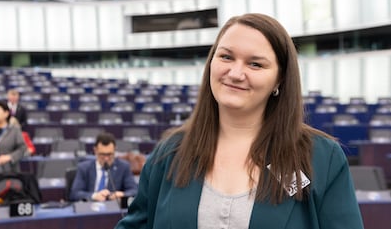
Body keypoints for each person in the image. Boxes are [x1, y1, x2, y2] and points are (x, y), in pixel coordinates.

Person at [115, 13, 364, 229]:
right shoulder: (169, 153)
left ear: (279, 80)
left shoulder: (321, 158)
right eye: (226, 57)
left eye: (255, 64)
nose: (235, 73)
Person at [70, 132, 138, 202]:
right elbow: (75, 193)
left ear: (115, 150)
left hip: (113, 208)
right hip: (89, 208)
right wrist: (94, 196)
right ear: (95, 150)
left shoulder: (123, 167)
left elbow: (134, 191)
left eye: (109, 154)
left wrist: (122, 194)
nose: (106, 158)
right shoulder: (84, 168)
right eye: (102, 154)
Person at [0, 101, 26, 173]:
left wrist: (9, 157)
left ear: (6, 113)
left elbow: (22, 149)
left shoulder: (14, 129)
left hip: (8, 169)